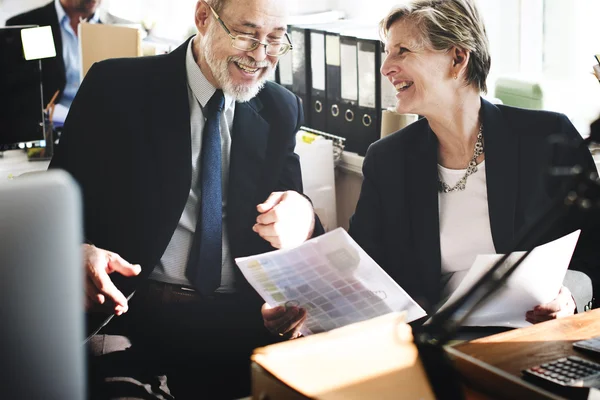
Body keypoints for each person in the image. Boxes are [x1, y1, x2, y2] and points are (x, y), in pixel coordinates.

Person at [263, 0, 600, 338]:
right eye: (386, 52)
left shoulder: (546, 140)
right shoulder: (388, 159)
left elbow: (596, 248)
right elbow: (363, 272)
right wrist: (306, 308)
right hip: (434, 345)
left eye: (402, 51)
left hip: (531, 338)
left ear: (457, 58)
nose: (385, 68)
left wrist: (568, 294)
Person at [49, 0, 323, 398]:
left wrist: (305, 218)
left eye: (276, 40)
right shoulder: (116, 87)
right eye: (247, 34)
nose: (261, 56)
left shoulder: (281, 107)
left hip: (240, 323)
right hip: (135, 312)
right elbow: (55, 207)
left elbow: (294, 215)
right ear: (202, 17)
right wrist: (78, 250)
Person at [6, 0, 102, 119]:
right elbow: (19, 94)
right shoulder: (30, 25)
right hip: (49, 127)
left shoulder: (115, 31)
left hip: (96, 124)